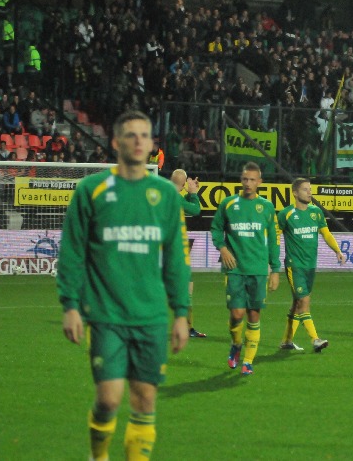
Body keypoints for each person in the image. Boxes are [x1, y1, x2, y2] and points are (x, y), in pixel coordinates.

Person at [57, 110, 191, 460]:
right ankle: (97, 456)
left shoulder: (165, 194)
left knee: (145, 400)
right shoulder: (91, 189)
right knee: (108, 400)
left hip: (151, 316)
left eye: (144, 136)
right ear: (116, 142)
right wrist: (70, 305)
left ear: (150, 145)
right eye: (130, 135)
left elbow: (176, 259)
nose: (137, 141)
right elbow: (72, 251)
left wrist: (181, 313)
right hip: (107, 314)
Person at [210, 161, 280, 376]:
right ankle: (236, 343)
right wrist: (222, 248)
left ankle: (248, 361)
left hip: (258, 269)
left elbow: (274, 240)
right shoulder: (229, 204)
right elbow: (215, 228)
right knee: (237, 314)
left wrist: (275, 269)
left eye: (252, 180)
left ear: (260, 182)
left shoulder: (267, 207)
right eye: (245, 179)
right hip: (235, 269)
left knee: (253, 315)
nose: (248, 183)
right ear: (241, 180)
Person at [276, 178, 344, 352]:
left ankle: (286, 341)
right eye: (305, 189)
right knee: (304, 301)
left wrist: (337, 250)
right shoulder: (286, 214)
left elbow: (326, 233)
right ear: (295, 193)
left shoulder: (316, 213)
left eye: (310, 189)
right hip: (294, 265)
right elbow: (276, 236)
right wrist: (273, 259)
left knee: (298, 304)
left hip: (310, 266)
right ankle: (315, 339)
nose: (309, 192)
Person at [170, 168, 206, 338]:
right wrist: (193, 193)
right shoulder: (174, 197)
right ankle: (185, 327)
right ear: (184, 184)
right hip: (173, 249)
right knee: (186, 287)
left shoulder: (167, 195)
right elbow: (195, 210)